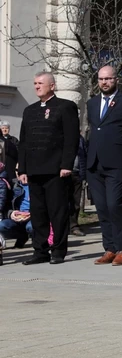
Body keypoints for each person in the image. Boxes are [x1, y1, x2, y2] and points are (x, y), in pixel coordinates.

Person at [17, 72, 79, 265]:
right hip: (34, 170)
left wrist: (66, 165)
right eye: (35, 83)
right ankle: (40, 250)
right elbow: (24, 142)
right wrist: (23, 169)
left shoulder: (65, 107)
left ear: (52, 86)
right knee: (38, 212)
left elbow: (71, 138)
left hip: (56, 170)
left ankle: (58, 250)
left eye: (40, 83)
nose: (37, 86)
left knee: (57, 212)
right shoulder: (29, 110)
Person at [86, 65, 122, 266]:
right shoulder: (92, 103)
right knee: (101, 207)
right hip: (94, 163)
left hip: (116, 163)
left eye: (108, 79)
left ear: (116, 80)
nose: (104, 82)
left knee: (114, 205)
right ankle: (109, 248)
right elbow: (93, 129)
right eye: (101, 79)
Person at [69, 135, 87, 236]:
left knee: (76, 202)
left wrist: (84, 174)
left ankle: (73, 225)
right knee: (62, 202)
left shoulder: (80, 139)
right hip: (63, 174)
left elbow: (84, 155)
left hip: (77, 173)